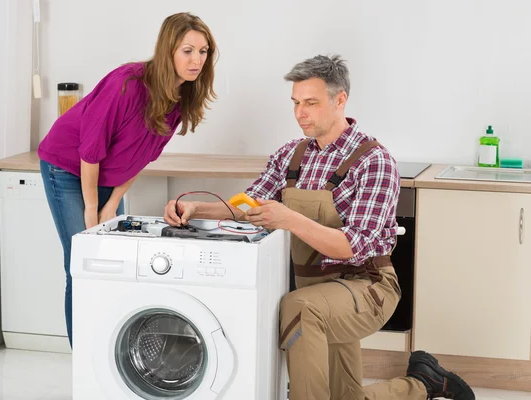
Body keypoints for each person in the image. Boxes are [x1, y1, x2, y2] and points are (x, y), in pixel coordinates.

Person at [163, 55, 475, 400]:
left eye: (310, 102)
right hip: (319, 288)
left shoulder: (374, 161)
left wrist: (289, 218)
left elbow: (352, 246)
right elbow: (247, 204)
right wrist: (196, 209)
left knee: (299, 307)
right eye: (296, 103)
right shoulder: (290, 155)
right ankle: (424, 383)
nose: (300, 113)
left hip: (367, 288)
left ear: (340, 100)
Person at [38, 12, 217, 347]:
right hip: (68, 167)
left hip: (105, 176)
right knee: (82, 262)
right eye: (188, 51)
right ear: (169, 51)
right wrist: (94, 209)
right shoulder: (128, 83)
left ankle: (107, 355)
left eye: (203, 52)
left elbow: (142, 155)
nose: (197, 61)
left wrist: (113, 202)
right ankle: (85, 361)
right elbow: (90, 148)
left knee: (111, 263)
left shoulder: (181, 96)